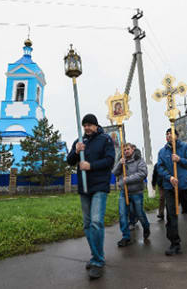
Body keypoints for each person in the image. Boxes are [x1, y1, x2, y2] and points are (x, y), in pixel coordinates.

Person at [67, 113, 115, 279]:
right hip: (84, 188)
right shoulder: (80, 141)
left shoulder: (105, 139)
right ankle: (95, 256)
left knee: (96, 222)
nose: (87, 127)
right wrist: (76, 151)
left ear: (96, 125)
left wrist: (91, 165)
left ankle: (98, 261)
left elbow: (110, 160)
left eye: (90, 124)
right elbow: (70, 161)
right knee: (87, 224)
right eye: (84, 125)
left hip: (99, 186)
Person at [157, 128, 187, 256]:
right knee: (171, 215)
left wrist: (180, 159)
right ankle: (174, 243)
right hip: (170, 187)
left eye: (171, 133)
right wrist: (169, 177)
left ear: (177, 135)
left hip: (185, 186)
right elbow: (160, 167)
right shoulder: (162, 151)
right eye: (167, 134)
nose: (169, 136)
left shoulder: (185, 147)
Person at [113, 143, 150, 247]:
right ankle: (126, 237)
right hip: (124, 192)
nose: (126, 151)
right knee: (122, 214)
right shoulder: (121, 161)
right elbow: (115, 172)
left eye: (128, 149)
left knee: (139, 213)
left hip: (136, 192)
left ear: (133, 149)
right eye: (124, 150)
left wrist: (127, 179)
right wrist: (120, 164)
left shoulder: (139, 160)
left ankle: (146, 227)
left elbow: (143, 174)